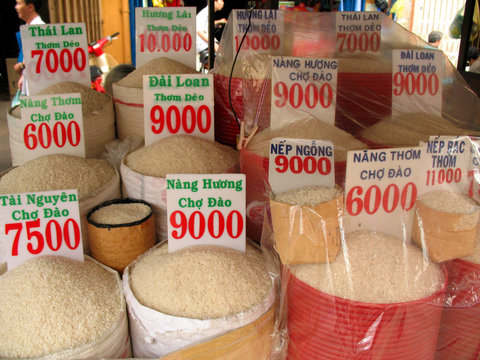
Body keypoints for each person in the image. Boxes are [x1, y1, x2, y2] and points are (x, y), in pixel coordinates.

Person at [14, 0, 45, 95]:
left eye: (19, 3)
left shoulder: (39, 29)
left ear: (30, 7)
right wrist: (24, 75)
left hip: (40, 87)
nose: (16, 7)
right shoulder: (28, 28)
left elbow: (40, 59)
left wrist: (22, 65)